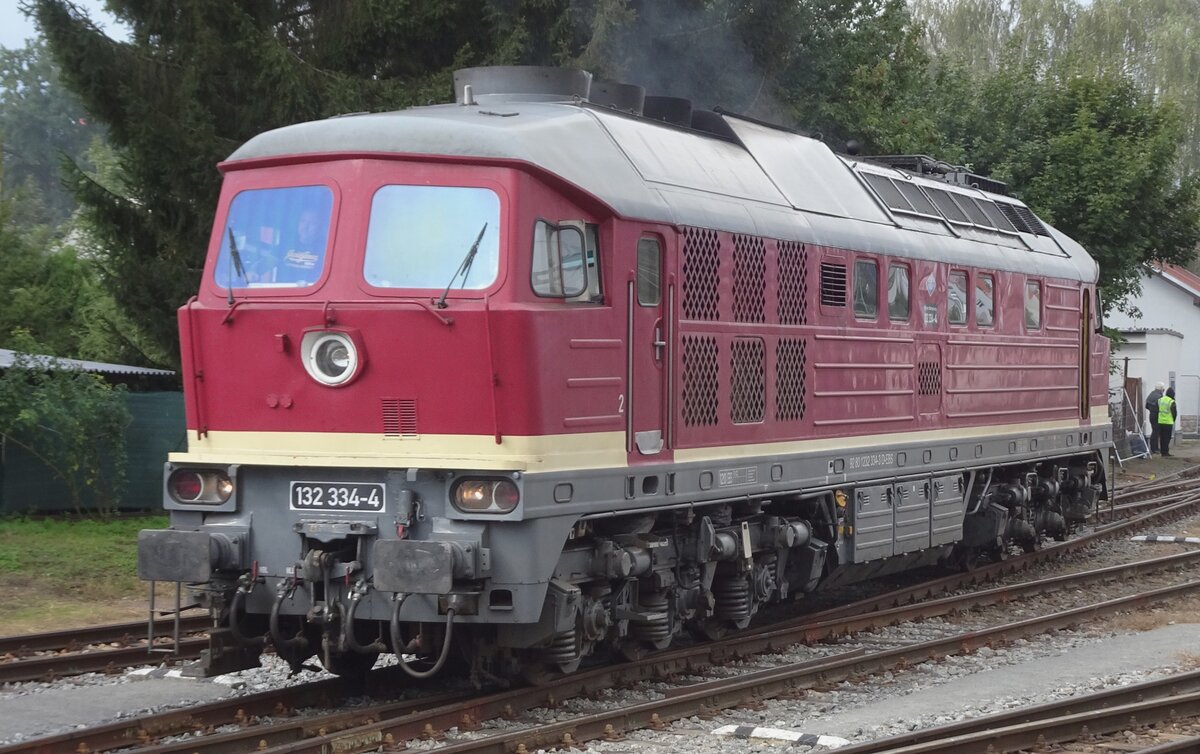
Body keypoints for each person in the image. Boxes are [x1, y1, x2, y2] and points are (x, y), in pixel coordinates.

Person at [1157, 386, 1178, 457]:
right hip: (1168, 422)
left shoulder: (1160, 400)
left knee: (1162, 438)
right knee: (1167, 438)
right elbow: (1174, 413)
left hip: (1160, 421)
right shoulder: (1171, 401)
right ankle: (1165, 452)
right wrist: (1173, 420)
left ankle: (1162, 452)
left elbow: (1157, 409)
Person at [1145, 381, 1165, 451]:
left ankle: (1155, 447)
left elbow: (1146, 406)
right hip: (1157, 415)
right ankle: (1154, 448)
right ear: (1161, 388)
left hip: (1151, 415)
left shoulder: (1151, 394)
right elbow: (1160, 407)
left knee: (1154, 431)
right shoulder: (1159, 396)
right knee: (1156, 432)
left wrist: (1151, 410)